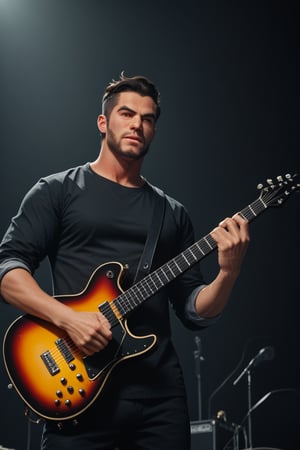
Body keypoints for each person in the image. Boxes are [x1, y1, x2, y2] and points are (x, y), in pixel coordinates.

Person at [0, 74, 249, 450]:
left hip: (158, 397)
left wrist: (228, 272)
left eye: (148, 119)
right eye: (127, 113)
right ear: (103, 122)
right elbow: (7, 270)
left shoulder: (171, 213)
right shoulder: (58, 190)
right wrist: (68, 319)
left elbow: (194, 310)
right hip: (76, 387)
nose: (137, 124)